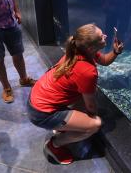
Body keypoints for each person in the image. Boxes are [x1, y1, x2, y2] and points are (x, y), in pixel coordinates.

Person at [27, 23, 124, 165]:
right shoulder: (87, 71)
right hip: (41, 113)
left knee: (89, 91)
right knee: (95, 124)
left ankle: (63, 125)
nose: (105, 37)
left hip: (35, 100)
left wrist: (115, 52)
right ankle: (55, 144)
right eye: (101, 37)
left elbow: (103, 60)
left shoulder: (78, 51)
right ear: (91, 47)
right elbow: (90, 106)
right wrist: (91, 117)